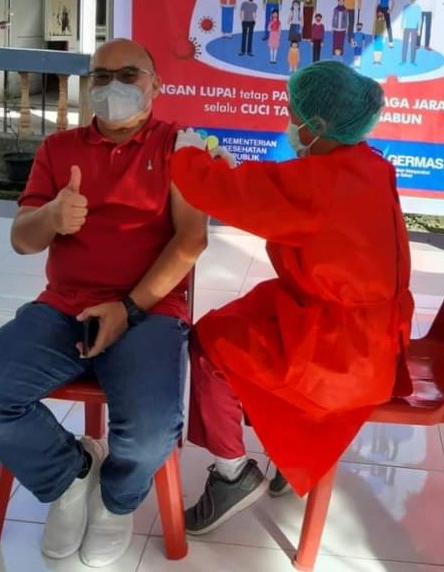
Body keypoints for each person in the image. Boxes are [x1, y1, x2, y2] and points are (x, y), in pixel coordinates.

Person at [0, 38, 207, 567]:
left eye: (128, 74)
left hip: (149, 313)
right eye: (100, 76)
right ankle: (70, 475)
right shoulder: (59, 150)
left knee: (150, 435)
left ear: (156, 84)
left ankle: (116, 500)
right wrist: (51, 216)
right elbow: (22, 240)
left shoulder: (179, 147)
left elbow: (191, 240)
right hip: (63, 307)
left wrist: (129, 309)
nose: (113, 86)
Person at [170, 60, 414, 534]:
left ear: (318, 124)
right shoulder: (369, 166)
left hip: (338, 358)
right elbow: (282, 189)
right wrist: (238, 174)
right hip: (372, 337)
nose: (289, 122)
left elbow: (230, 193)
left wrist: (188, 158)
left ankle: (231, 474)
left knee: (210, 344)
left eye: (293, 115)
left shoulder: (317, 185)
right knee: (244, 313)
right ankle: (285, 452)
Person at [401, 0, 422, 65]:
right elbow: (403, 17)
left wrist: (419, 29)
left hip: (414, 28)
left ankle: (412, 61)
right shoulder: (405, 7)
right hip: (406, 28)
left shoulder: (418, 8)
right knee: (405, 44)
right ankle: (403, 60)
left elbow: (419, 19)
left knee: (413, 45)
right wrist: (402, 27)